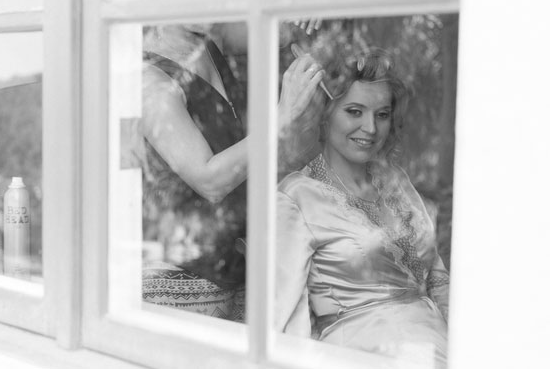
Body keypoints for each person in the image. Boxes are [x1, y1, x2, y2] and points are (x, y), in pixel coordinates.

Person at [274, 48, 449, 367]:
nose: (370, 128)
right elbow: (283, 314)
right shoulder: (295, 196)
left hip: (440, 347)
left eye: (382, 114)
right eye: (355, 111)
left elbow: (436, 273)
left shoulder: (395, 180)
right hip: (362, 354)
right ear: (325, 113)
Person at [141, 22, 324, 321]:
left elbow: (279, 30)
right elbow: (208, 180)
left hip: (235, 264)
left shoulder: (212, 40)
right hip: (181, 276)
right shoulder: (150, 80)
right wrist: (282, 115)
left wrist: (307, 14)